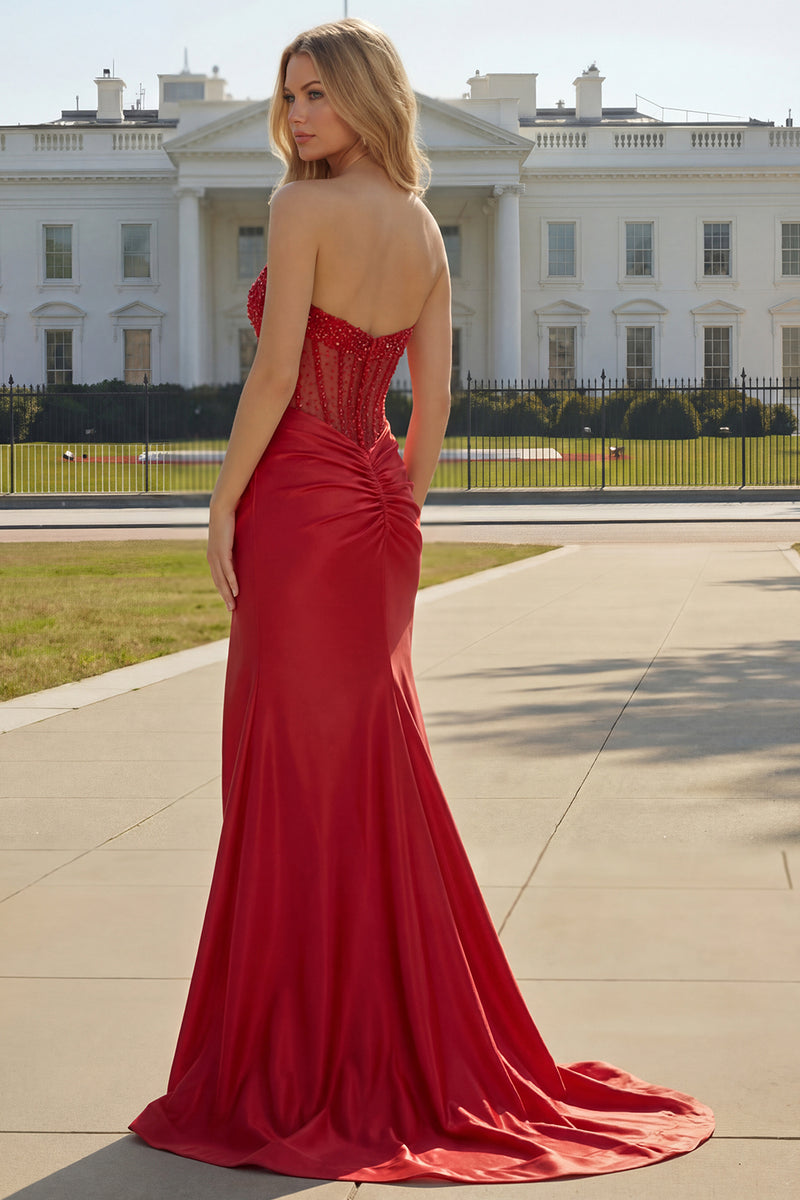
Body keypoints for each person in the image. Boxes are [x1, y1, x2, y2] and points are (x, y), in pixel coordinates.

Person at [129, 18, 713, 1182]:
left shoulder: (300, 210)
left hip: (297, 506)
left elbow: (279, 370)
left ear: (360, 100)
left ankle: (295, 1062)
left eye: (314, 96)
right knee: (367, 769)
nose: (294, 118)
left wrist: (216, 503)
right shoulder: (424, 231)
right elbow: (431, 408)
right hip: (376, 517)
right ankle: (385, 1043)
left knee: (292, 775)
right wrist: (396, 507)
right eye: (286, 97)